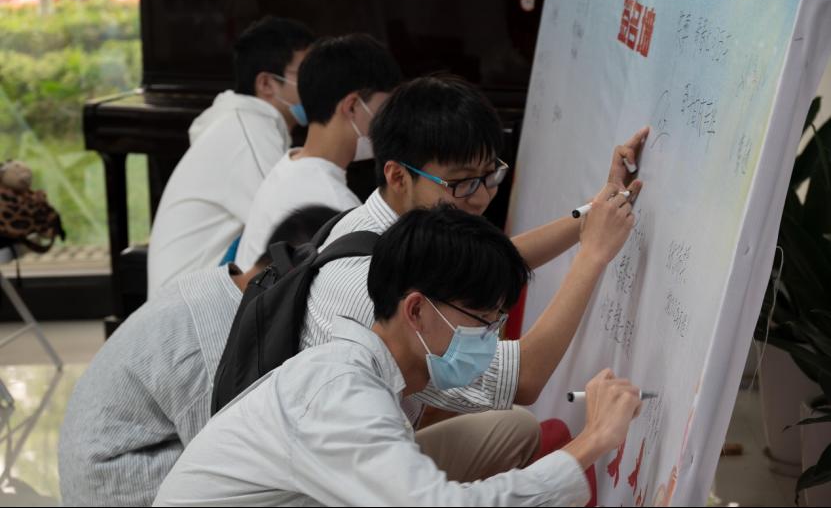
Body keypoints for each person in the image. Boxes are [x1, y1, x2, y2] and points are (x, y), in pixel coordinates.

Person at [154, 206, 643, 507]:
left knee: (514, 430)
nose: (490, 337)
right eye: (481, 319)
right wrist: (594, 440)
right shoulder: (342, 394)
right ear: (416, 310)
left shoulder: (371, 367)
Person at [289, 74, 647, 478]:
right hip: (341, 479)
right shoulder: (363, 287)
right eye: (460, 183)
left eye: (490, 176)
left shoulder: (374, 223)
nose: (480, 197)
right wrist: (594, 255)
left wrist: (592, 214)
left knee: (516, 429)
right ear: (398, 176)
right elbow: (524, 378)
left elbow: (488, 264)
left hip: (363, 446)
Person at [59, 206, 338, 507]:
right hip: (116, 486)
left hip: (111, 467)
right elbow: (227, 467)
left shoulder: (220, 287)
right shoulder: (220, 340)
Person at [147, 17, 315, 296]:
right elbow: (290, 223)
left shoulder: (247, 124)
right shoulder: (248, 131)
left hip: (191, 292)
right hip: (191, 304)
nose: (316, 83)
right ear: (266, 83)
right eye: (307, 73)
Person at [235, 33, 402, 271]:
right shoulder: (334, 205)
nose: (391, 122)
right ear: (352, 106)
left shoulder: (289, 164)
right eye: (385, 109)